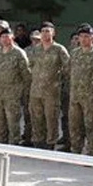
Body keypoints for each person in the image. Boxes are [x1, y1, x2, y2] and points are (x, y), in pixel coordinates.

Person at [67, 24, 93, 156]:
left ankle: (91, 152)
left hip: (90, 97)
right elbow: (68, 70)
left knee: (90, 125)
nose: (83, 39)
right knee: (75, 125)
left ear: (92, 38)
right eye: (81, 36)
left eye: (87, 36)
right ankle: (76, 151)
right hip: (75, 96)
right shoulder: (75, 53)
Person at [27, 22, 70, 150]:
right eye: (43, 31)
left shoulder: (59, 49)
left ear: (53, 33)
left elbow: (68, 67)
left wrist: (59, 80)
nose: (45, 34)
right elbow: (30, 66)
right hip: (36, 91)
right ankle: (38, 141)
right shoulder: (36, 49)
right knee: (36, 117)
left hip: (51, 91)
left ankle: (50, 143)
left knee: (51, 118)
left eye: (48, 31)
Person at [0, 26, 30, 144]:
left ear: (12, 37)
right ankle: (0, 143)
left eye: (7, 36)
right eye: (2, 37)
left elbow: (26, 74)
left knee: (12, 121)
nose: (4, 39)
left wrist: (21, 91)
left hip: (12, 94)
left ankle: (14, 144)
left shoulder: (19, 53)